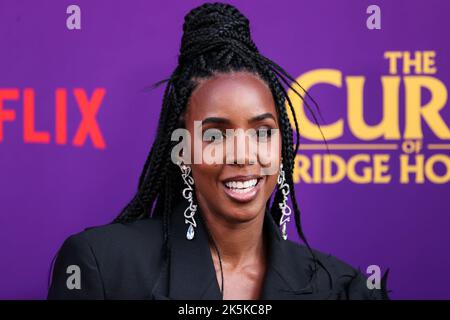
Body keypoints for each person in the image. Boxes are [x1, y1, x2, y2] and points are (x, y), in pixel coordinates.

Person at [48, 2, 388, 300]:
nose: (243, 154)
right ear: (182, 151)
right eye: (216, 136)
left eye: (262, 132)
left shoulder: (341, 288)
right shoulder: (103, 267)